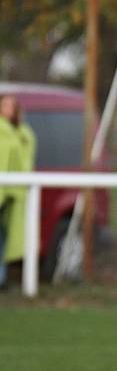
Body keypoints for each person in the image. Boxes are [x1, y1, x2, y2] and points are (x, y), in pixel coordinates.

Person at [0, 95, 36, 289]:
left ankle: (2, 278)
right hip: (3, 189)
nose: (7, 109)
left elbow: (26, 155)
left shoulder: (23, 132)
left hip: (14, 192)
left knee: (7, 236)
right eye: (4, 104)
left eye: (11, 106)